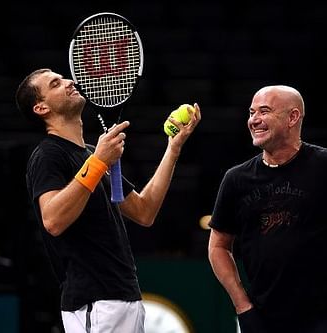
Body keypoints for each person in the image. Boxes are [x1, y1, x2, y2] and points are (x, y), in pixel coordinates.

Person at [15, 68, 201, 333]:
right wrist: (99, 162)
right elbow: (53, 220)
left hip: (125, 296)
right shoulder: (47, 155)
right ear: (41, 108)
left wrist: (174, 147)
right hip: (94, 302)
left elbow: (143, 211)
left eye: (64, 78)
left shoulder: (93, 154)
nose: (70, 82)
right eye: (55, 84)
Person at [207, 85, 327, 333]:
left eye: (264, 111)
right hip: (262, 318)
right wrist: (242, 305)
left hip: (324, 316)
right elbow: (218, 245)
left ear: (293, 117)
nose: (254, 120)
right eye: (251, 113)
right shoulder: (236, 179)